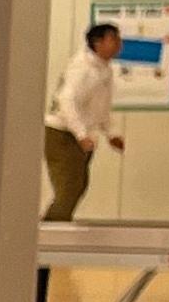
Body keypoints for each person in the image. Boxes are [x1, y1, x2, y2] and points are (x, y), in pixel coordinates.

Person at [45, 19, 125, 221]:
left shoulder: (103, 69)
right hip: (61, 133)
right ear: (98, 42)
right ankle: (50, 231)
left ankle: (57, 224)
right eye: (113, 39)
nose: (118, 43)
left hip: (79, 134)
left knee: (79, 184)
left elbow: (100, 107)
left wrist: (111, 133)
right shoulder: (82, 68)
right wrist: (81, 134)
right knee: (69, 184)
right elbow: (66, 102)